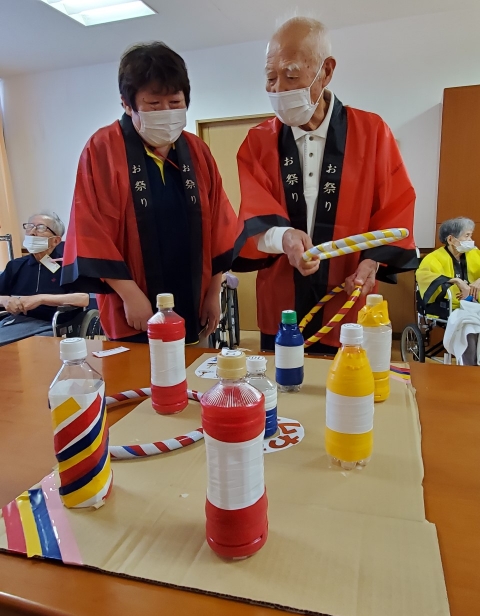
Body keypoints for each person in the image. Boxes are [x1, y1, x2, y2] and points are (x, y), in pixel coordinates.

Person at [233, 18, 418, 353]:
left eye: (291, 76)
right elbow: (254, 217)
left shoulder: (372, 133)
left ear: (326, 71)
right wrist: (285, 238)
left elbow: (396, 209)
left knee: (346, 381)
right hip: (281, 298)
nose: (278, 89)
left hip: (348, 295)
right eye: (271, 77)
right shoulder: (258, 142)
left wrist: (372, 263)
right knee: (282, 380)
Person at [62, 42, 237, 345]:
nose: (166, 112)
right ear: (127, 104)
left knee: (191, 370)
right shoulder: (102, 149)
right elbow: (91, 229)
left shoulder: (197, 150)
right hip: (131, 306)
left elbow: (219, 227)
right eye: (154, 104)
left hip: (193, 302)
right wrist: (131, 296)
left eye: (175, 102)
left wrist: (213, 292)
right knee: (137, 373)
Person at [0, 211, 89, 346]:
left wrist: (40, 299)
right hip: (16, 322)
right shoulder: (15, 265)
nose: (32, 232)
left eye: (40, 228)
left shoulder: (68, 265)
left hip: (53, 325)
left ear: (56, 240)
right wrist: (6, 300)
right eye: (29, 226)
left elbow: (83, 298)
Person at [417, 217, 480, 365]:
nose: (471, 240)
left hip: (475, 304)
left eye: (470, 235)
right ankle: (469, 367)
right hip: (449, 306)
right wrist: (456, 280)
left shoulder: (474, 254)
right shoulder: (434, 258)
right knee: (469, 326)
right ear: (451, 239)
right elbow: (423, 276)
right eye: (467, 236)